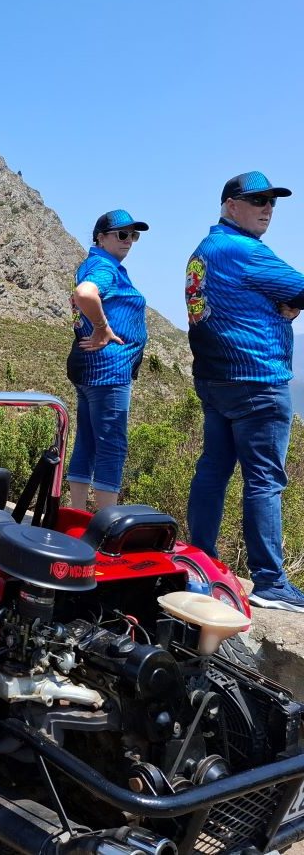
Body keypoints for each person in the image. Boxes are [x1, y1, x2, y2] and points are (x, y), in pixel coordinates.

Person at [185, 171, 304, 612]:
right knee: (265, 481)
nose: (267, 208)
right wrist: (288, 305)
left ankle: (199, 558)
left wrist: (283, 306)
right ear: (231, 205)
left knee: (213, 469)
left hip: (216, 381)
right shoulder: (245, 250)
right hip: (256, 380)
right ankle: (271, 582)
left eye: (272, 201)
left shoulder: (204, 250)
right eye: (257, 201)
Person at [65, 210, 149, 512]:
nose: (129, 241)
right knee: (112, 444)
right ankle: (105, 522)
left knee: (87, 439)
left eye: (134, 235)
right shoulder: (103, 267)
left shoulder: (96, 264)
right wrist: (102, 328)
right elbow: (84, 293)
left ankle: (75, 514)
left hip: (89, 367)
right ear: (100, 237)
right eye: (122, 234)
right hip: (108, 370)